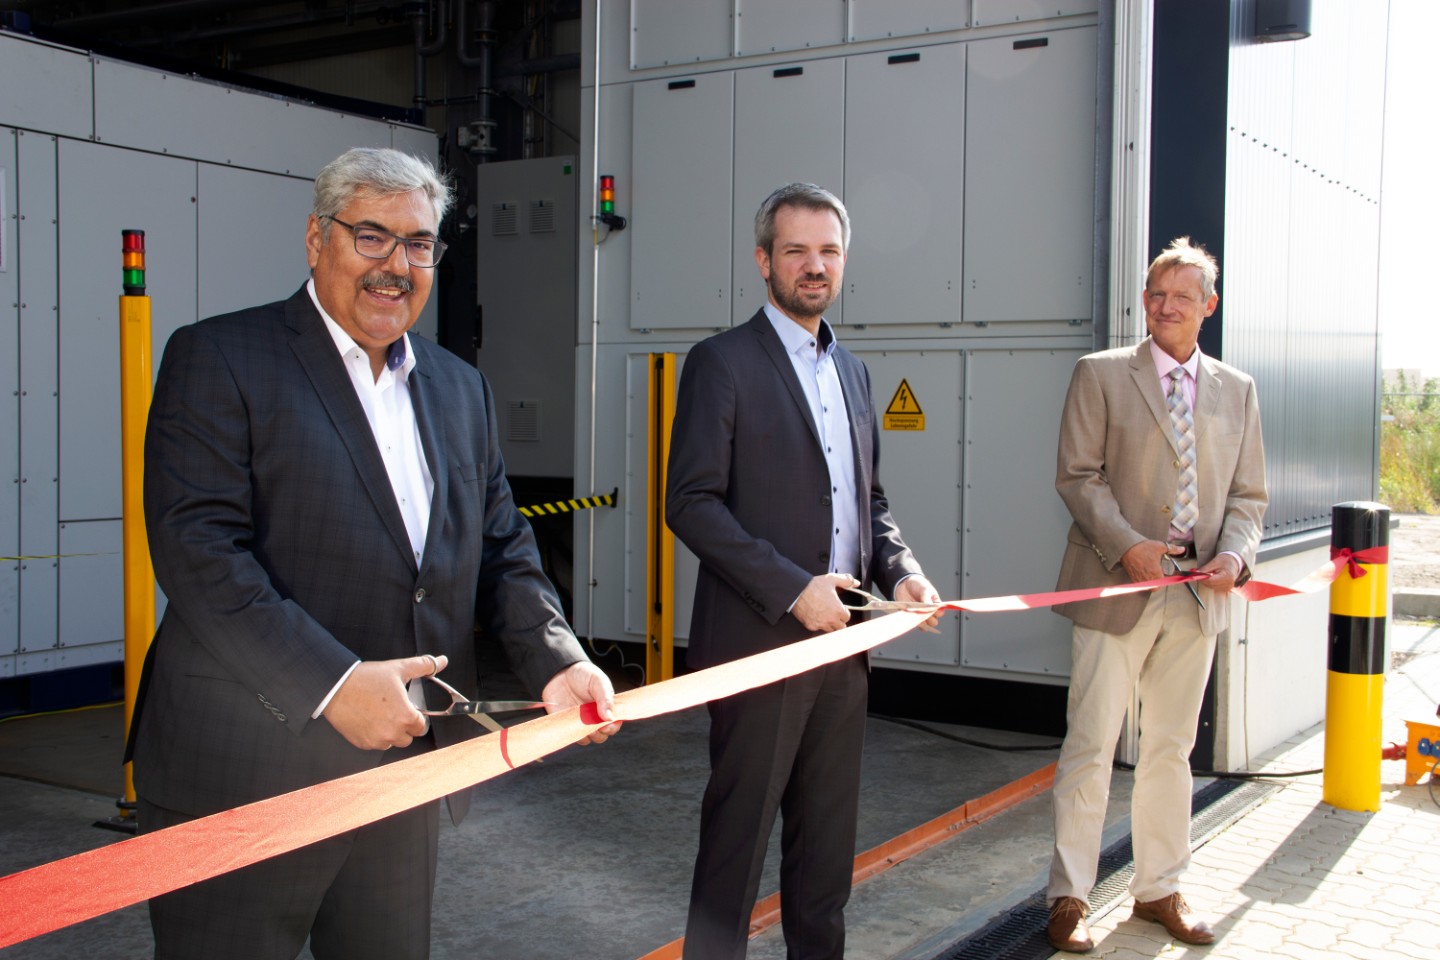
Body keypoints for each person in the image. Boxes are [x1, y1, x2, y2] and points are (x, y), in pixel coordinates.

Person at [129, 146, 620, 960]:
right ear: (317, 238)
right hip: (245, 775)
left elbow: (502, 544)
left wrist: (555, 658)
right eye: (372, 237)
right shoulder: (219, 358)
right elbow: (199, 554)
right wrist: (330, 685)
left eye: (419, 244)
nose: (397, 266)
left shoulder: (460, 387)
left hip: (402, 775)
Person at [665, 182, 943, 960]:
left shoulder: (853, 373)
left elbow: (869, 500)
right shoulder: (721, 364)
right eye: (796, 251)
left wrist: (904, 574)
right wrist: (792, 588)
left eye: (828, 252)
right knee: (736, 850)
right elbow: (689, 502)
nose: (813, 266)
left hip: (842, 650)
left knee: (824, 856)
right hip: (756, 650)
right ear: (764, 261)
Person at [1044, 237, 1267, 952]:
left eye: (1181, 296)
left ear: (1210, 305)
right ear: (1144, 300)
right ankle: (1070, 897)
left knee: (1171, 751)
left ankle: (1158, 891)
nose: (1165, 307)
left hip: (1198, 598)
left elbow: (1248, 495)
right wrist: (1129, 547)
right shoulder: (1102, 374)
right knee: (1091, 745)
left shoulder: (1238, 389)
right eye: (1155, 294)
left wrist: (1236, 552)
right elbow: (1078, 476)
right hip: (1115, 585)